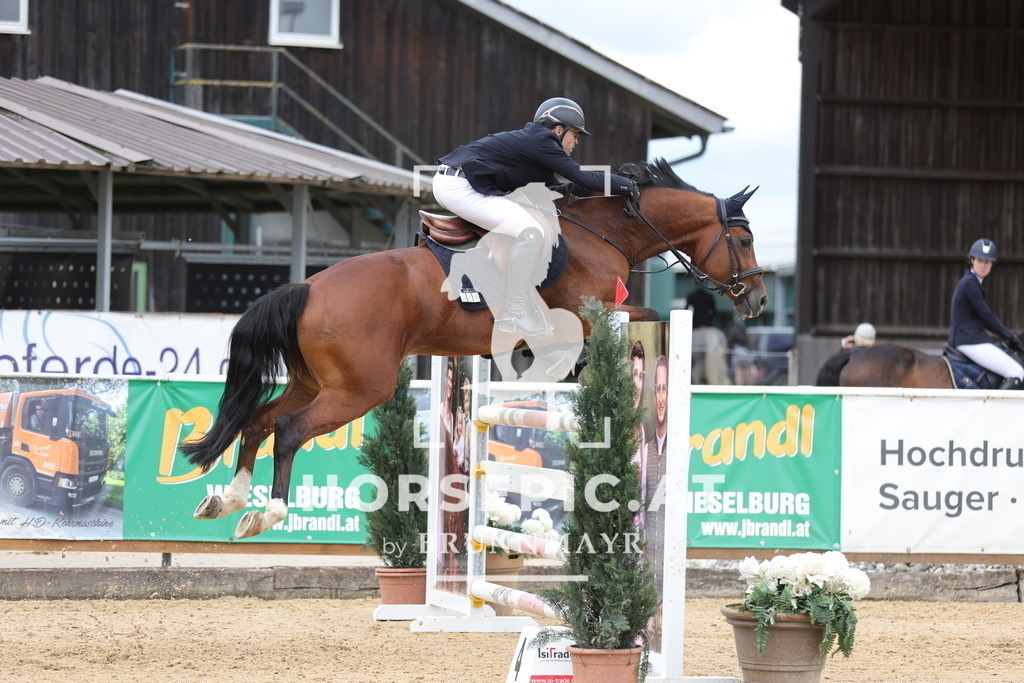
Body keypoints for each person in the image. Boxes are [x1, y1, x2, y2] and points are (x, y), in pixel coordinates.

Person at [433, 97, 638, 336]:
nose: (576, 142)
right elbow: (582, 178)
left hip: (455, 183)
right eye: (576, 135)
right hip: (459, 187)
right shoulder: (542, 142)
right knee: (531, 232)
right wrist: (627, 185)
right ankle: (515, 311)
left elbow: (556, 189)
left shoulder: (535, 147)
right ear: (559, 129)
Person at [948, 238, 1024, 390]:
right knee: (1017, 372)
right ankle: (995, 412)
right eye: (980, 261)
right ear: (972, 260)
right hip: (969, 341)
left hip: (972, 339)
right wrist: (1009, 336)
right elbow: (986, 316)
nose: (983, 265)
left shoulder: (974, 282)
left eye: (987, 262)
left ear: (992, 265)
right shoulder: (969, 283)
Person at [687, 288, 732, 385]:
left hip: (696, 326)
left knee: (697, 362)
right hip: (708, 324)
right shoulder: (709, 296)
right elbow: (714, 312)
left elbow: (686, 309)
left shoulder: (692, 295)